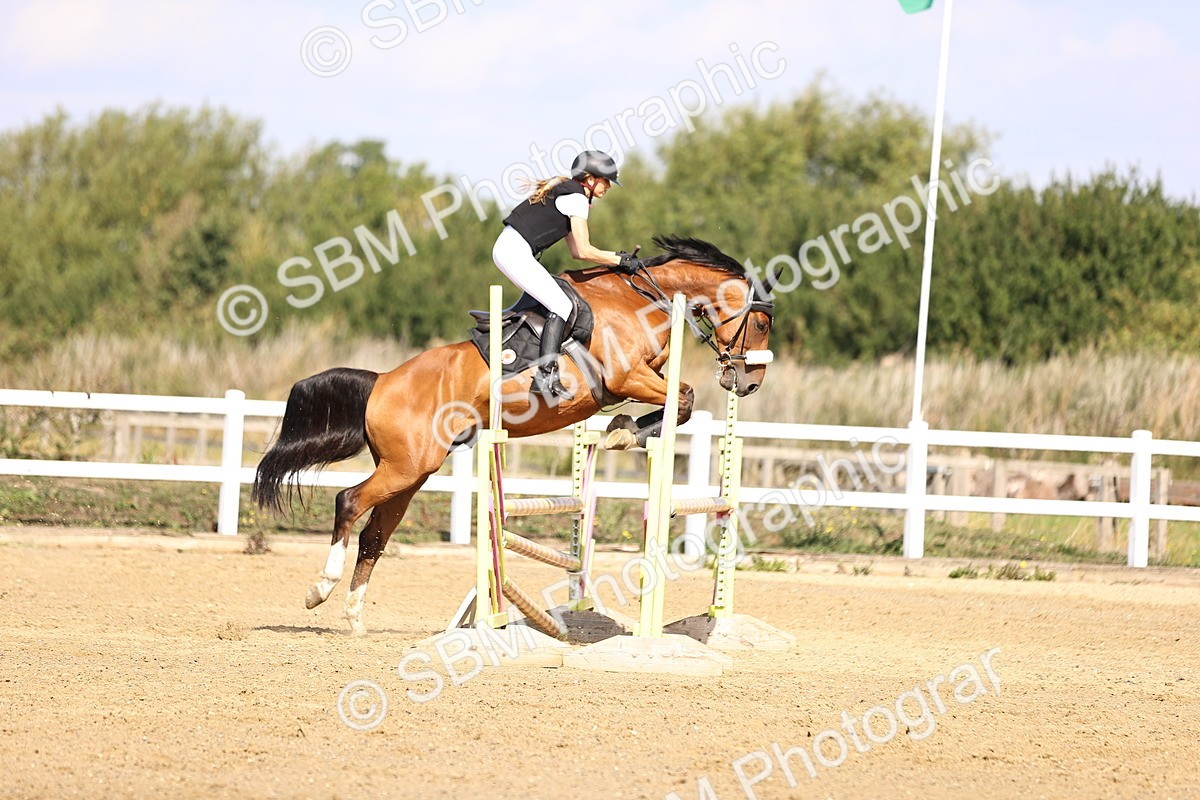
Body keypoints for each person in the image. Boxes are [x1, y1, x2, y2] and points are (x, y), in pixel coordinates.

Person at [493, 150, 643, 400]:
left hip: (511, 250)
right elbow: (585, 249)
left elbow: (575, 251)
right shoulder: (576, 198)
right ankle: (545, 375)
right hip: (513, 252)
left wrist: (615, 258)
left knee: (556, 300)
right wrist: (619, 260)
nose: (608, 187)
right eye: (606, 181)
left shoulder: (570, 192)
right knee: (561, 304)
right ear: (591, 178)